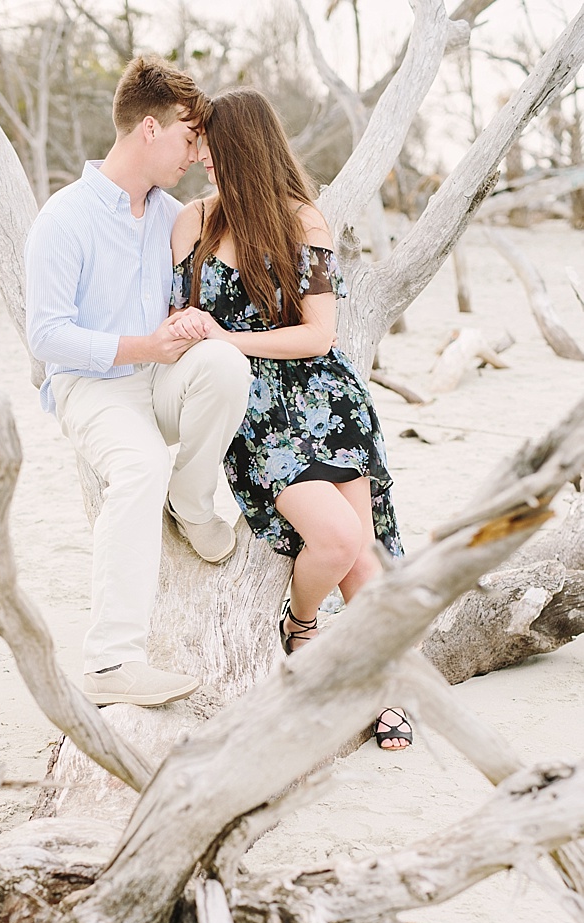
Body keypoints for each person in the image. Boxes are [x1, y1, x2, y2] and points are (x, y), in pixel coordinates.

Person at [169, 88, 412, 750]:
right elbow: (174, 319)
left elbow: (317, 337)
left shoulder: (302, 220)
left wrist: (224, 337)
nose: (202, 160)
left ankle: (378, 689)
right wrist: (200, 338)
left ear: (241, 146)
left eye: (211, 148)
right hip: (252, 411)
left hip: (326, 402)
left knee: (364, 564)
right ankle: (301, 627)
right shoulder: (191, 221)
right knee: (335, 541)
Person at [24, 57, 251, 708]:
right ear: (149, 128)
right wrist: (142, 344)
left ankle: (193, 500)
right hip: (92, 387)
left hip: (162, 378)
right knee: (141, 464)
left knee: (223, 362)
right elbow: (46, 334)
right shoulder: (64, 218)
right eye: (187, 137)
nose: (194, 151)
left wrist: (185, 328)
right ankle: (110, 663)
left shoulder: (171, 215)